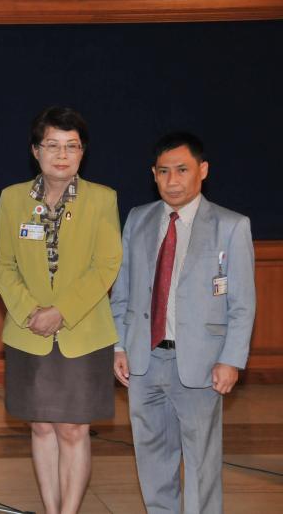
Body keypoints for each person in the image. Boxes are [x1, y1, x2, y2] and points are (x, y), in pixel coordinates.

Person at [111, 131, 255, 513]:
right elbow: (123, 290)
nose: (172, 180)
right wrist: (120, 345)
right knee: (152, 461)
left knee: (201, 465)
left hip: (202, 364)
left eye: (182, 170)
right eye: (163, 171)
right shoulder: (138, 219)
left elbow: (243, 303)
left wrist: (231, 359)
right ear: (153, 174)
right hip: (144, 361)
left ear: (202, 170)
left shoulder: (231, 226)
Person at [0, 106, 122, 514]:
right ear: (36, 150)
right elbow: (1, 264)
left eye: (72, 146)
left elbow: (107, 265)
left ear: (83, 152)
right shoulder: (12, 198)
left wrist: (61, 312)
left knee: (72, 429)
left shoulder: (102, 199)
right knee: (41, 426)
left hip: (82, 333)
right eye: (52, 145)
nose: (62, 155)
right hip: (28, 331)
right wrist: (30, 311)